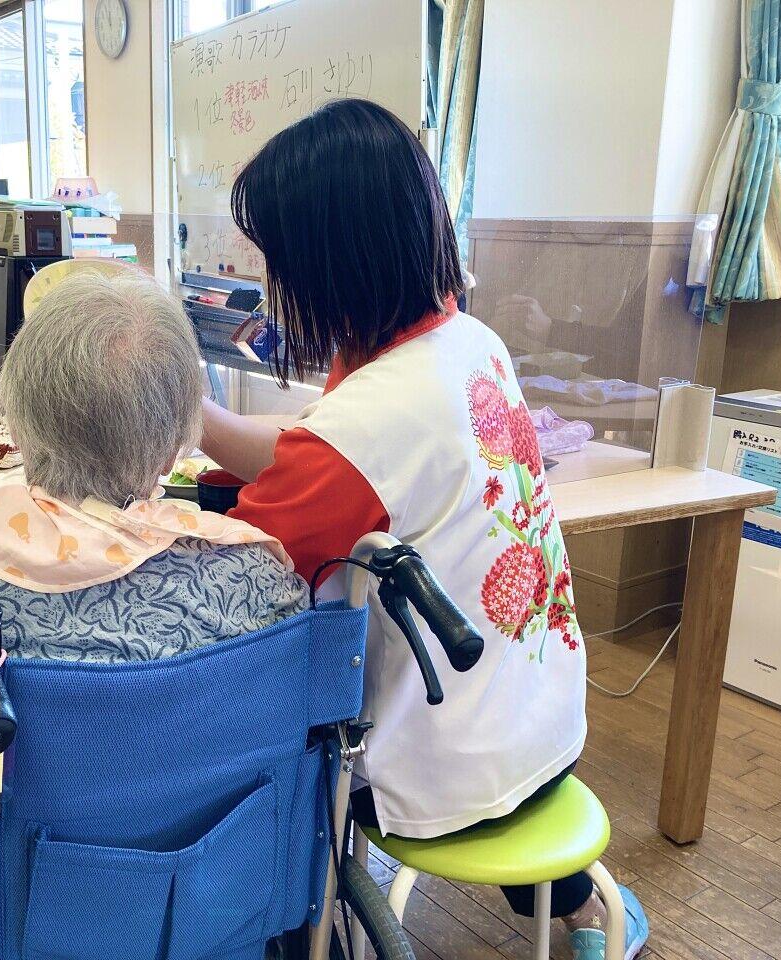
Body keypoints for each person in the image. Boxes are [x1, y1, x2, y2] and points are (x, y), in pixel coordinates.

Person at [199, 98, 647, 960]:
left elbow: (239, 573)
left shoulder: (371, 421)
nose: (277, 280)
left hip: (443, 765)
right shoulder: (468, 341)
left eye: (280, 259)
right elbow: (319, 453)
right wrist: (203, 421)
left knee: (258, 712)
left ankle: (289, 923)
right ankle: (589, 912)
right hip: (545, 715)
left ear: (329, 262)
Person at [0, 271, 307, 686]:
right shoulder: (252, 575)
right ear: (175, 448)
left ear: (16, 427)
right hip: (208, 750)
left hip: (17, 752)